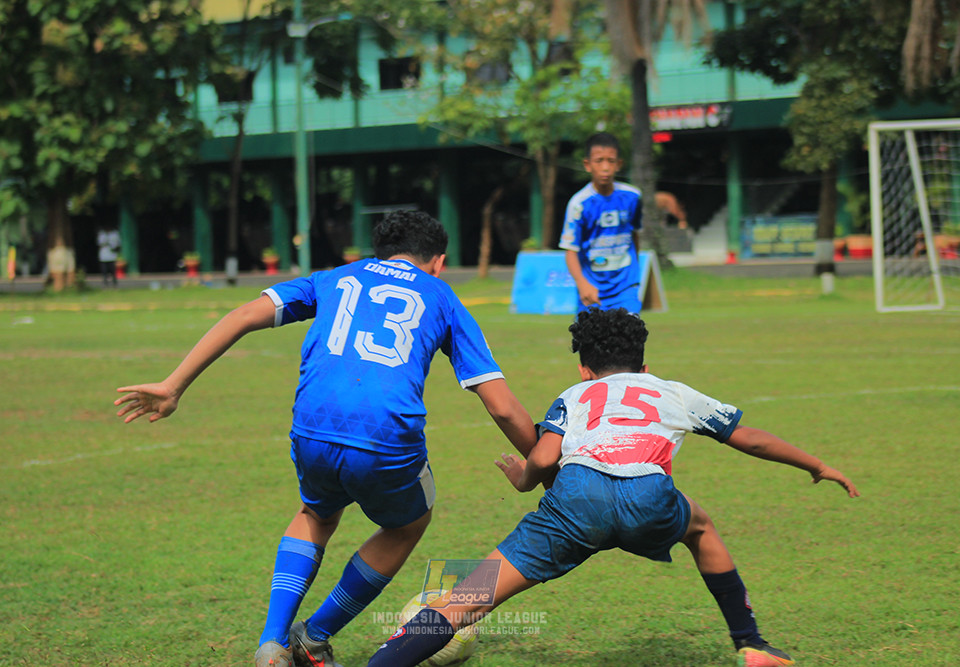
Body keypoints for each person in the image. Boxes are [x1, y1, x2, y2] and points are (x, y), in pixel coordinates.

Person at [114, 210, 538, 667]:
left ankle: (272, 642)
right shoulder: (442, 294)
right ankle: (314, 636)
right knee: (407, 524)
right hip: (385, 434)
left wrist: (174, 385)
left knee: (315, 512)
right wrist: (543, 461)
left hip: (312, 423)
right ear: (437, 260)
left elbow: (242, 315)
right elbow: (500, 404)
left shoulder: (333, 277)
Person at [367, 307, 860, 667]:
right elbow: (748, 439)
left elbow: (542, 456)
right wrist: (815, 465)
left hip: (576, 500)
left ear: (584, 369)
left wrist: (522, 480)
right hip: (649, 497)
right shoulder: (669, 389)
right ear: (644, 367)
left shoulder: (576, 393)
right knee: (701, 527)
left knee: (469, 598)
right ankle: (750, 644)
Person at [560, 132, 644, 313]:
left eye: (611, 161)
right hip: (592, 289)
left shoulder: (633, 197)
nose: (605, 167)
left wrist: (634, 273)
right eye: (599, 161)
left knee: (628, 339)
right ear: (587, 165)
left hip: (625, 288)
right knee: (590, 341)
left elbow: (634, 235)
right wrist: (582, 284)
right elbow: (570, 251)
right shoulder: (579, 204)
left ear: (619, 164)